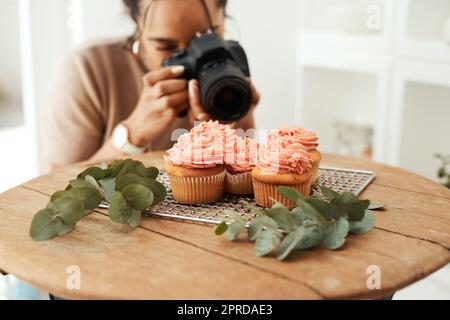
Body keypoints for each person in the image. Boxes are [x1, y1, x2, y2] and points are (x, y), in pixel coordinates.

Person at [41, 0, 260, 173]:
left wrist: (224, 132)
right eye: (167, 46)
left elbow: (243, 183)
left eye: (206, 37)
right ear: (138, 25)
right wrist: (131, 135)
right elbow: (53, 188)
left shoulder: (227, 73)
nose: (194, 56)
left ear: (224, 19)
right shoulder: (87, 69)